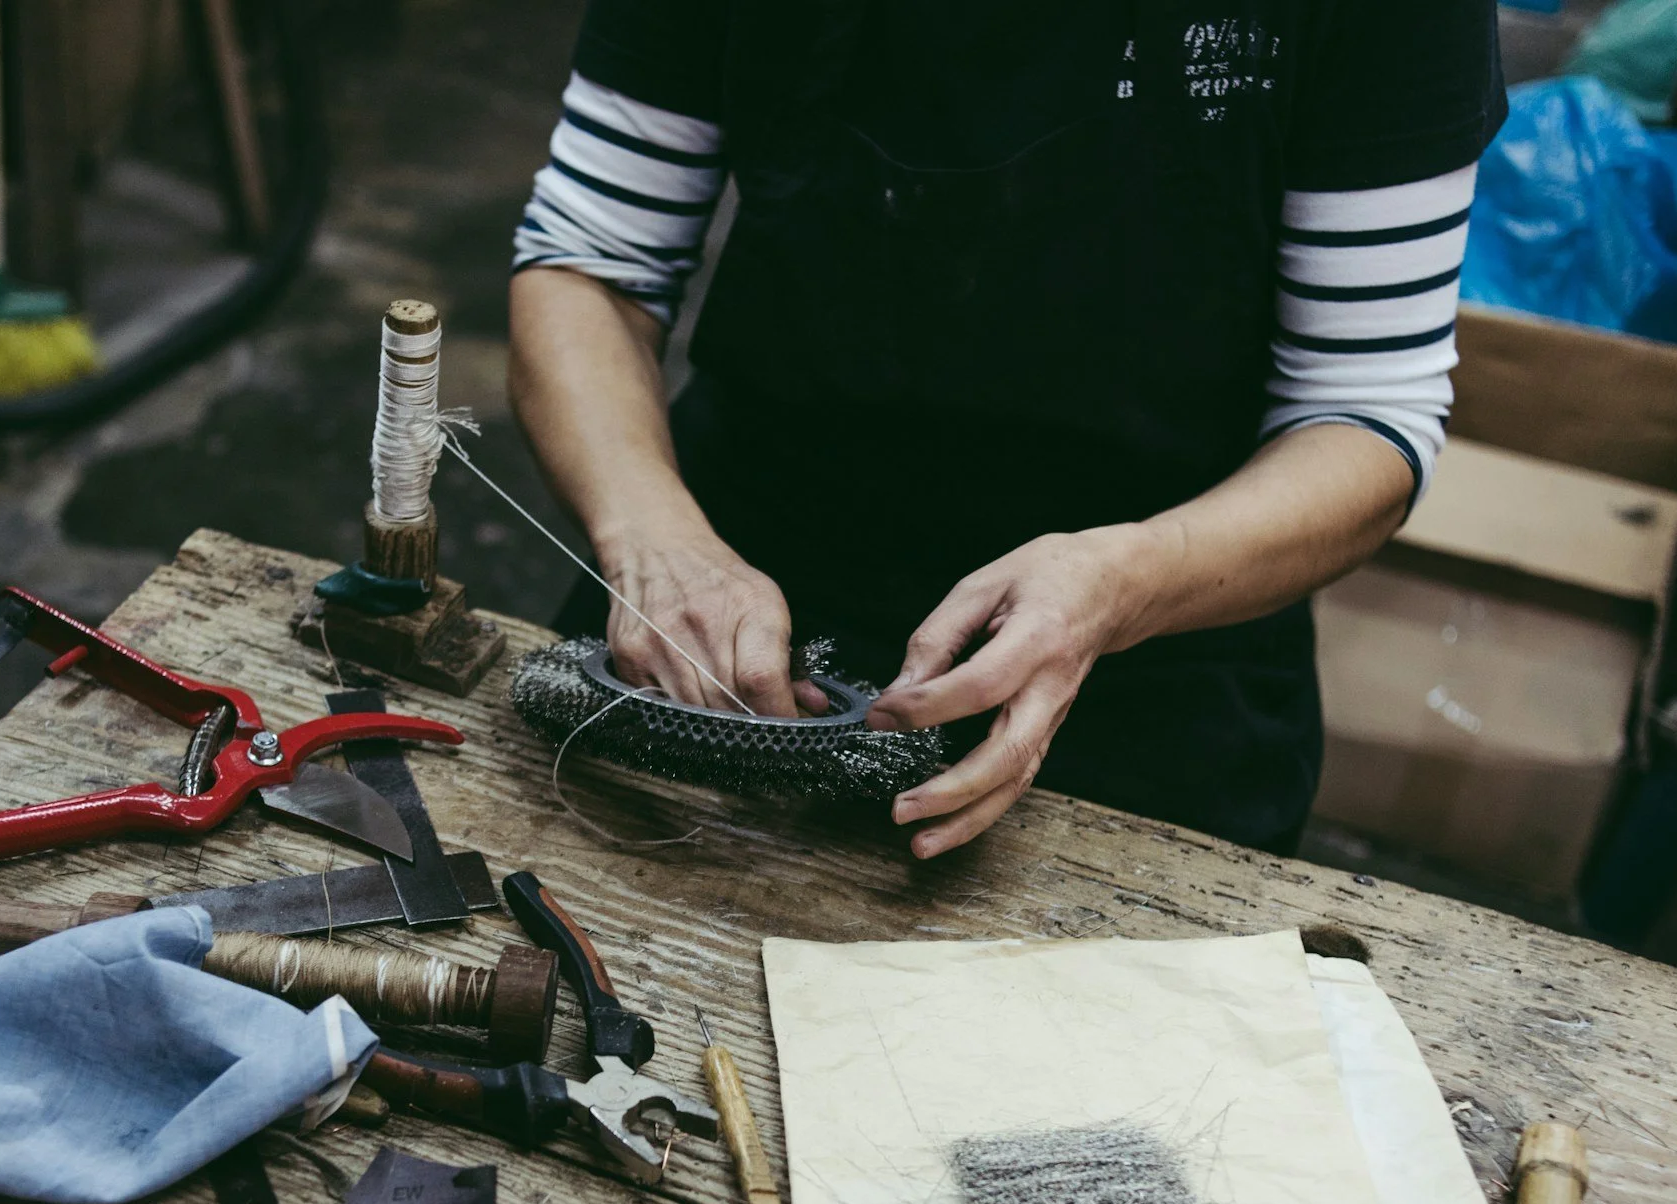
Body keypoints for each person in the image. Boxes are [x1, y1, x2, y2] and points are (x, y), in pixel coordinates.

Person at [505, 1, 1505, 858]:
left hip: (1152, 668)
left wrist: (1120, 586)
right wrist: (653, 539)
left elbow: (1365, 412)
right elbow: (590, 262)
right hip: (717, 639)